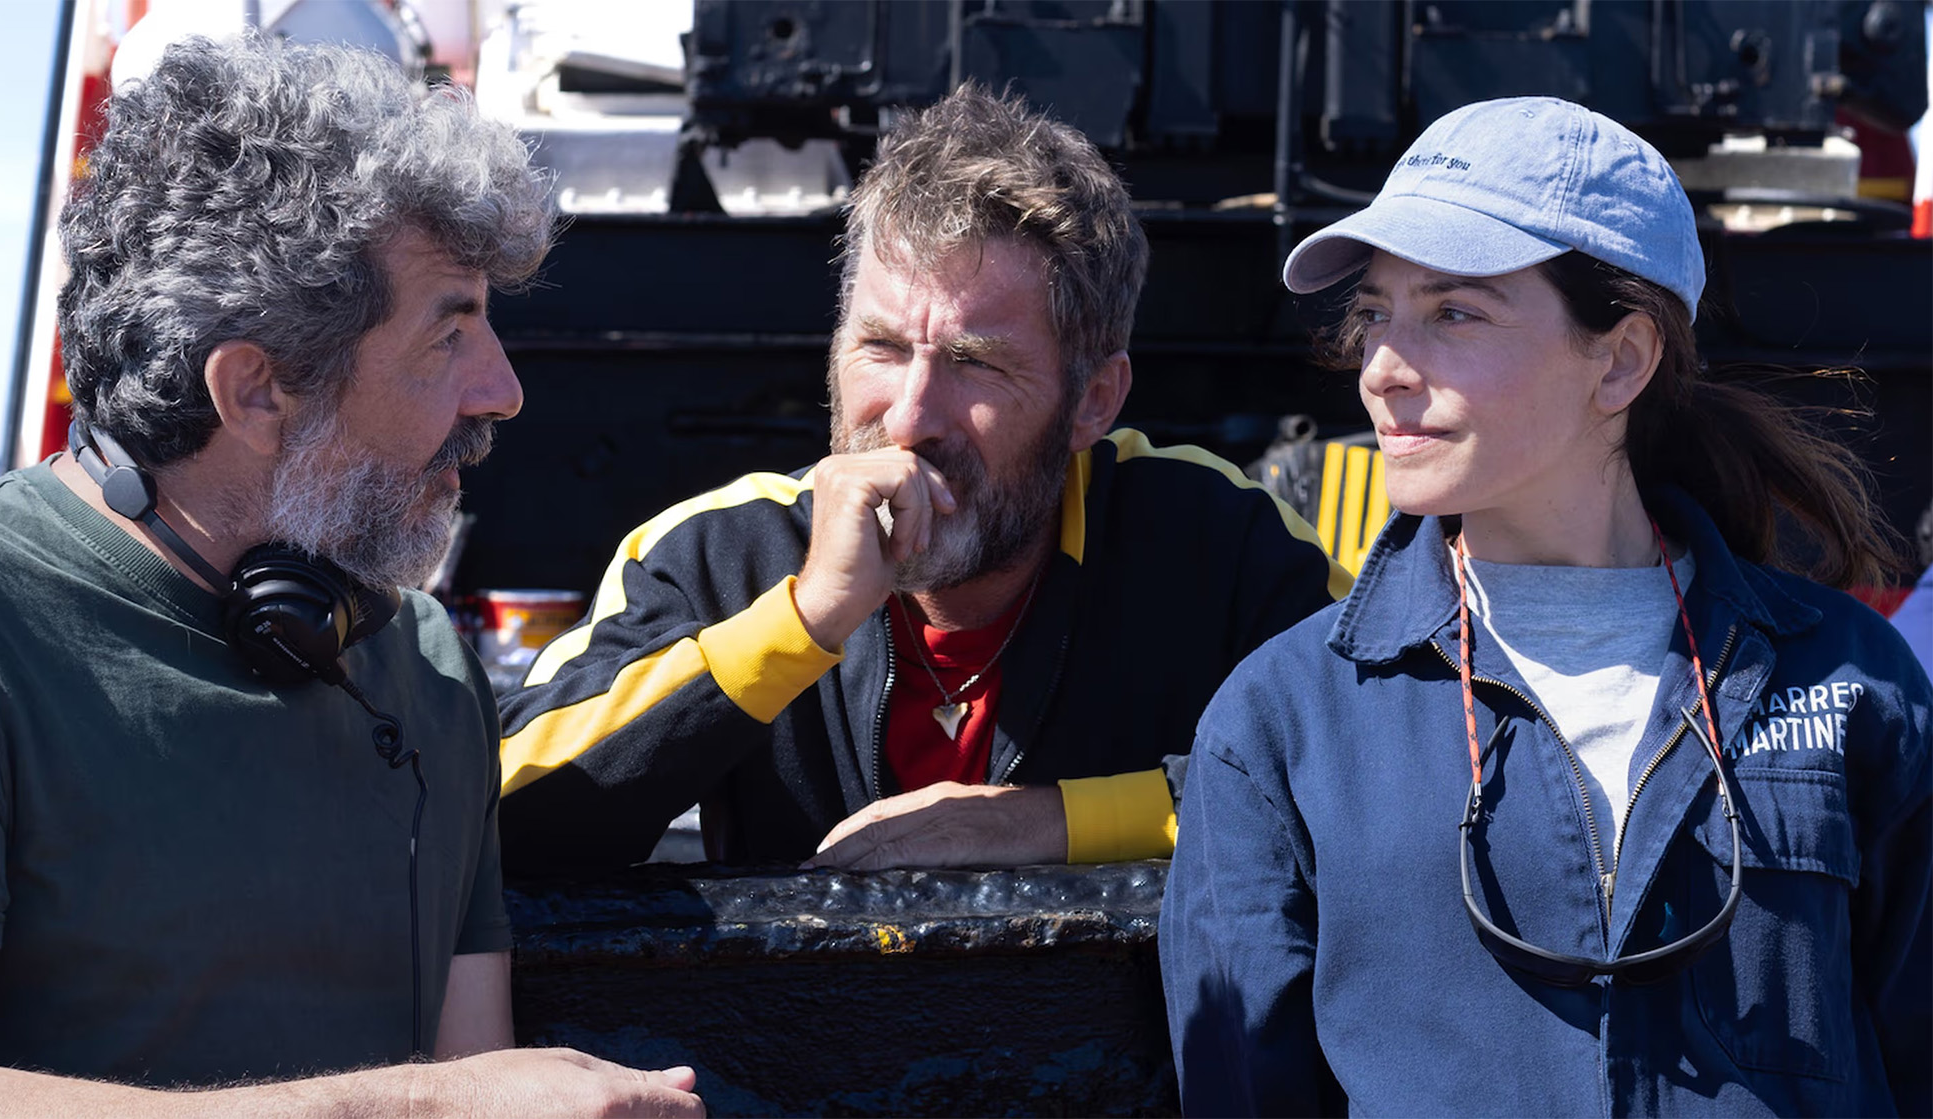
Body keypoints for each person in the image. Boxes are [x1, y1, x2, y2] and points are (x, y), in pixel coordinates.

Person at [0, 35, 701, 1116]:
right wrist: (432, 1107)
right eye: (450, 333)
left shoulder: (424, 663)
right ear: (255, 390)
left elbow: (477, 1073)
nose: (504, 391)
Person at [1161, 96, 1930, 1116]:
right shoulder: (1281, 722)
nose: (1383, 370)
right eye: (1375, 313)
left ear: (1619, 360)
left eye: (1452, 313)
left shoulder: (1847, 678)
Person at [497, 84, 1349, 874]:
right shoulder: (719, 553)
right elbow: (493, 826)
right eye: (882, 348)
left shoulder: (1218, 542)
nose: (908, 418)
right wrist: (803, 620)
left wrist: (1044, 823)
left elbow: (1382, 776)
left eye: (975, 364)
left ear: (1093, 401)